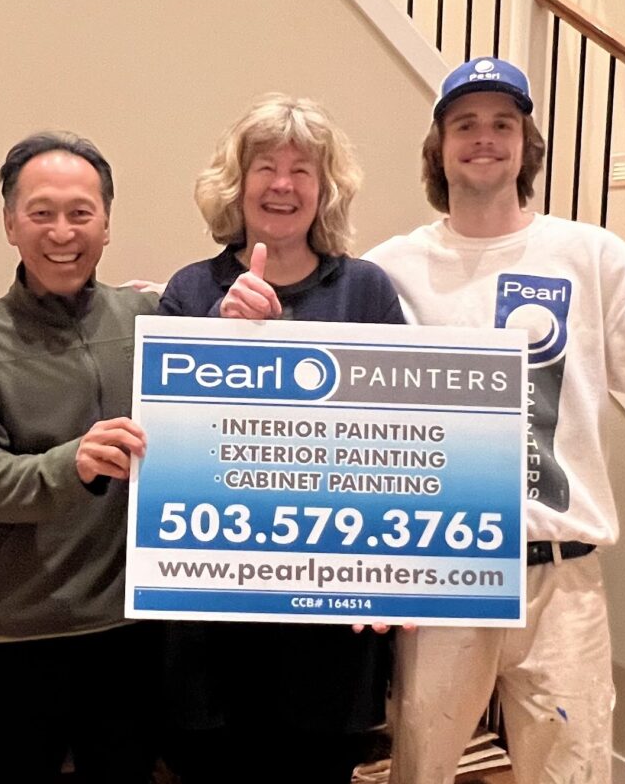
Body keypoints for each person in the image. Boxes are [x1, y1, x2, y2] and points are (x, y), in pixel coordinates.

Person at [362, 57, 625, 784]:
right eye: (465, 125)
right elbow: (330, 388)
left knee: (572, 770)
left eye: (502, 124)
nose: (484, 138)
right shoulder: (392, 269)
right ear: (439, 147)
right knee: (420, 766)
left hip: (563, 578)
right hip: (445, 573)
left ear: (526, 146)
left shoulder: (589, 256)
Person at [156, 94, 406, 784]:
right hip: (212, 632)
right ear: (237, 185)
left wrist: (397, 574)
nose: (283, 184)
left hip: (330, 633)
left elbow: (397, 450)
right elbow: (172, 455)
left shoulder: (367, 293)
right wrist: (219, 335)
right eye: (265, 166)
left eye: (303, 169)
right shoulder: (190, 292)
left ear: (326, 190)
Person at [0, 132, 160, 784]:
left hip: (129, 636)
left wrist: (242, 314)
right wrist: (71, 465)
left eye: (81, 212)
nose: (63, 231)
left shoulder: (153, 320)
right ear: (10, 223)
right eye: (42, 212)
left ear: (107, 224)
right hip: (18, 643)